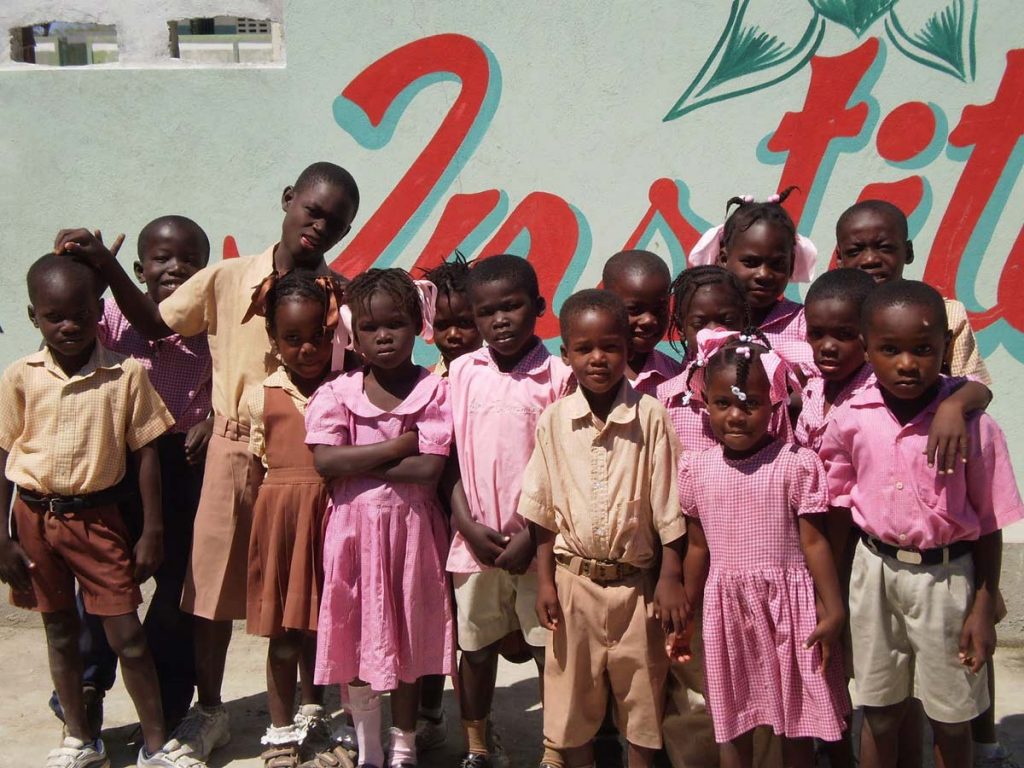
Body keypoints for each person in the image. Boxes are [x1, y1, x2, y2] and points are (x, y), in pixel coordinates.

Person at [54, 162, 360, 766]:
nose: (320, 227)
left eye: (338, 223)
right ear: (288, 199)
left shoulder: (340, 298)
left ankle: (313, 708)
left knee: (312, 586)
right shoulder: (226, 278)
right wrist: (104, 266)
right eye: (313, 210)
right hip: (232, 448)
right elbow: (153, 324)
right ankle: (210, 710)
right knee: (210, 590)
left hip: (308, 459)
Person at [0, 255, 199, 767]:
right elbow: (5, 453)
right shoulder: (20, 377)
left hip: (99, 520)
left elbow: (146, 452)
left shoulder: (125, 373)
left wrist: (151, 528)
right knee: (60, 630)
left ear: (99, 312)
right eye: (54, 316)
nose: (69, 326)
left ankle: (157, 746)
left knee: (128, 636)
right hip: (35, 518)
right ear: (33, 316)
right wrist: (2, 537)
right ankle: (79, 739)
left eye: (81, 315)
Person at [820, 280, 1024, 768]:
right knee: (880, 711)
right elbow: (840, 510)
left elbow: (991, 522)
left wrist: (982, 606)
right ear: (867, 349)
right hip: (873, 574)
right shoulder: (851, 417)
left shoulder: (974, 427)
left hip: (947, 579)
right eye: (890, 349)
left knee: (952, 717)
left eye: (923, 350)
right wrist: (836, 598)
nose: (907, 363)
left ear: (945, 349)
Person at [46, 217, 214, 737]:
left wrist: (212, 418)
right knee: (105, 584)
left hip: (182, 466)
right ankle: (88, 687)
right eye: (162, 259)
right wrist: (83, 271)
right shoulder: (109, 314)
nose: (176, 267)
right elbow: (67, 342)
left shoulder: (209, 320)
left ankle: (166, 702)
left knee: (174, 594)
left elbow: (232, 376)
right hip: (117, 467)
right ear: (140, 268)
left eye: (189, 259)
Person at [520, 289, 685, 768]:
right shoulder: (554, 420)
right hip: (573, 588)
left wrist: (670, 578)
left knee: (643, 709)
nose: (598, 358)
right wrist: (546, 581)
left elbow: (669, 505)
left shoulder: (652, 417)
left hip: (637, 589)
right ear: (565, 352)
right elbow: (543, 510)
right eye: (585, 348)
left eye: (610, 347)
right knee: (573, 708)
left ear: (628, 350)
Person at [676, 329, 850, 768]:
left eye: (750, 404)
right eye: (723, 403)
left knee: (796, 719)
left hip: (790, 612)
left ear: (773, 404)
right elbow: (697, 548)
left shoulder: (794, 464)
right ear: (705, 403)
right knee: (733, 722)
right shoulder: (697, 469)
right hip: (727, 611)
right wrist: (687, 612)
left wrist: (834, 609)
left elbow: (814, 541)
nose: (736, 415)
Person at [306, 268, 455, 768]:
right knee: (358, 634)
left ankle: (403, 743)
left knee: (407, 639)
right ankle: (368, 748)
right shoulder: (336, 393)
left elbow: (429, 468)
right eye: (370, 328)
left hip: (412, 536)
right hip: (352, 537)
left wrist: (360, 455)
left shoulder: (433, 392)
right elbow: (326, 462)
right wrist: (398, 443)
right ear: (354, 333)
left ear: (418, 325)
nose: (384, 336)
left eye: (396, 324)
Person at [445, 254, 573, 768]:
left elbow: (568, 464)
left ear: (539, 308)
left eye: (512, 307)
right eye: (486, 312)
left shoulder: (559, 376)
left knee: (549, 650)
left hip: (538, 546)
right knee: (474, 650)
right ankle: (476, 744)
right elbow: (448, 460)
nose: (500, 320)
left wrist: (531, 536)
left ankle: (555, 747)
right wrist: (468, 527)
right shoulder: (460, 372)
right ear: (473, 317)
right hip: (474, 543)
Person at [244, 270, 343, 768]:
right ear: (273, 340)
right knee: (285, 636)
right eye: (293, 338)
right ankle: (280, 733)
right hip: (283, 523)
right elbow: (253, 468)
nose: (308, 348)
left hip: (337, 522)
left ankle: (329, 717)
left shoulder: (350, 387)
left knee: (333, 630)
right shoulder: (261, 395)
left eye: (318, 337)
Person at [833, 199, 990, 384]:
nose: (870, 259)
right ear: (839, 258)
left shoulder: (947, 314)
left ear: (908, 252)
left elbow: (974, 387)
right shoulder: (830, 318)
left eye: (884, 248)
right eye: (855, 251)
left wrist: (952, 406)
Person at [686, 189, 816, 373]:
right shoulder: (710, 326)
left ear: (792, 264)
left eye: (777, 264)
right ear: (723, 259)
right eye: (751, 263)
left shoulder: (803, 323)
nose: (763, 274)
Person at [601, 250, 681, 395]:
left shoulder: (677, 379)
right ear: (605, 304)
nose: (649, 320)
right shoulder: (579, 377)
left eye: (660, 309)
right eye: (633, 309)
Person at [424, 250, 482, 378]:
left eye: (464, 323)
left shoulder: (503, 379)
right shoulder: (424, 384)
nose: (453, 334)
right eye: (442, 325)